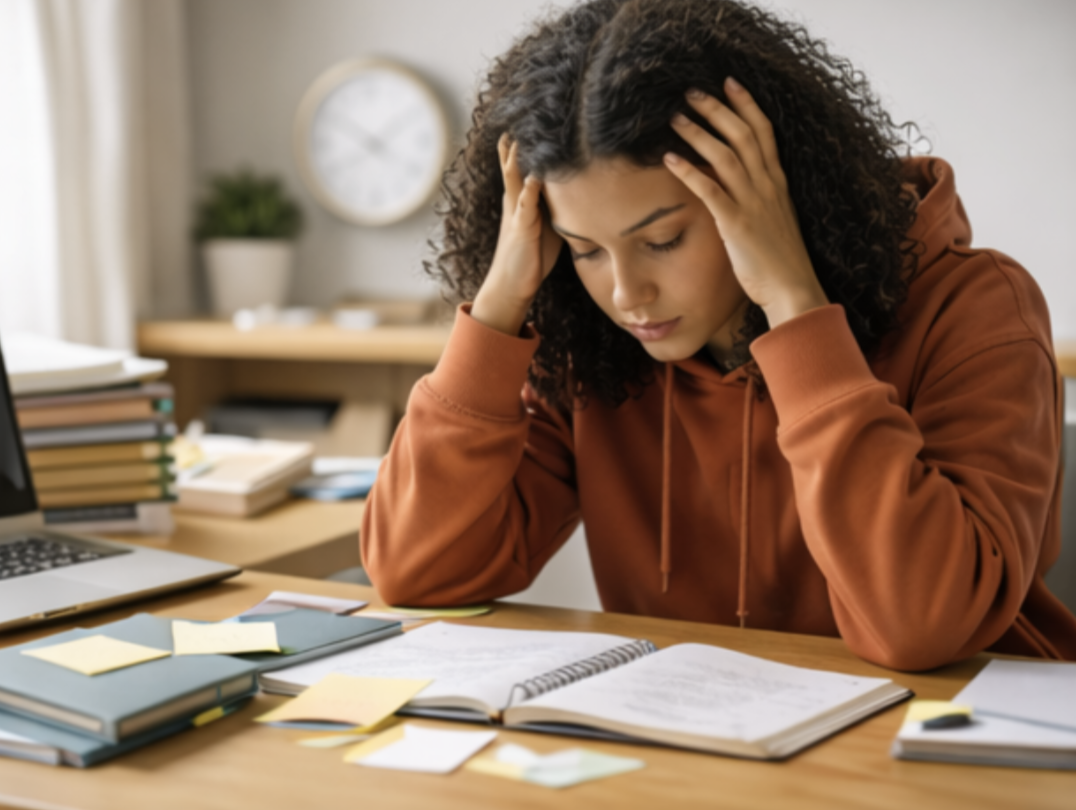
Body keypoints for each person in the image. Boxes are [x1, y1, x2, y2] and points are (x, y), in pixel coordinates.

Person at [361, 0, 1076, 671]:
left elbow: (922, 624)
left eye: (664, 240)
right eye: (584, 249)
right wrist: (496, 308)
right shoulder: (594, 346)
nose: (625, 294)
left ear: (771, 190)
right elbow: (417, 569)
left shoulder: (975, 309)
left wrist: (795, 306)